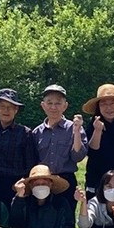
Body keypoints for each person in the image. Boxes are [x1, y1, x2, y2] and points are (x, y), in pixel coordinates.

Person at [30, 84, 86, 212]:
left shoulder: (74, 128)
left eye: (58, 103)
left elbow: (78, 156)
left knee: (66, 219)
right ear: (43, 105)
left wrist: (76, 132)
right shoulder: (36, 132)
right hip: (42, 181)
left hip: (66, 181)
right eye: (49, 103)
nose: (53, 107)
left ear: (65, 106)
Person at [0, 88, 36, 204]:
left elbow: (31, 162)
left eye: (10, 107)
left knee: (15, 218)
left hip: (16, 184)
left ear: (16, 110)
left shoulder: (25, 132)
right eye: (2, 106)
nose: (6, 110)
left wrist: (24, 182)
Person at [81, 83, 114, 199]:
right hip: (96, 179)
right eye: (104, 104)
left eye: (113, 103)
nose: (109, 108)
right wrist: (97, 131)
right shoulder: (92, 125)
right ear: (98, 107)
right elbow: (91, 151)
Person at [9, 165, 76, 228]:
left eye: (44, 184)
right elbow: (15, 224)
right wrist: (19, 197)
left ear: (51, 184)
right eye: (37, 184)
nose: (41, 187)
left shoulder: (61, 203)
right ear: (30, 186)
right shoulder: (23, 202)